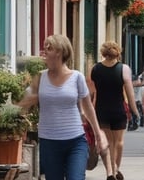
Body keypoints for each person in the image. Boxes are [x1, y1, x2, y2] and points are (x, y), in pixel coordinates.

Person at [18, 34, 109, 180]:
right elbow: (24, 105)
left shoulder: (77, 77)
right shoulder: (40, 78)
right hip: (49, 143)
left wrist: (98, 135)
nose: (44, 52)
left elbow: (88, 108)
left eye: (49, 48)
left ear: (59, 51)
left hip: (76, 141)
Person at [88, 41, 139, 180]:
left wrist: (89, 112)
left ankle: (110, 172)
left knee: (106, 143)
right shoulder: (123, 69)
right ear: (118, 52)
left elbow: (91, 93)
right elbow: (129, 93)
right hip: (118, 110)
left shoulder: (95, 69)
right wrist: (135, 111)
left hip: (101, 110)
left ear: (103, 53)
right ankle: (116, 169)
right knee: (119, 142)